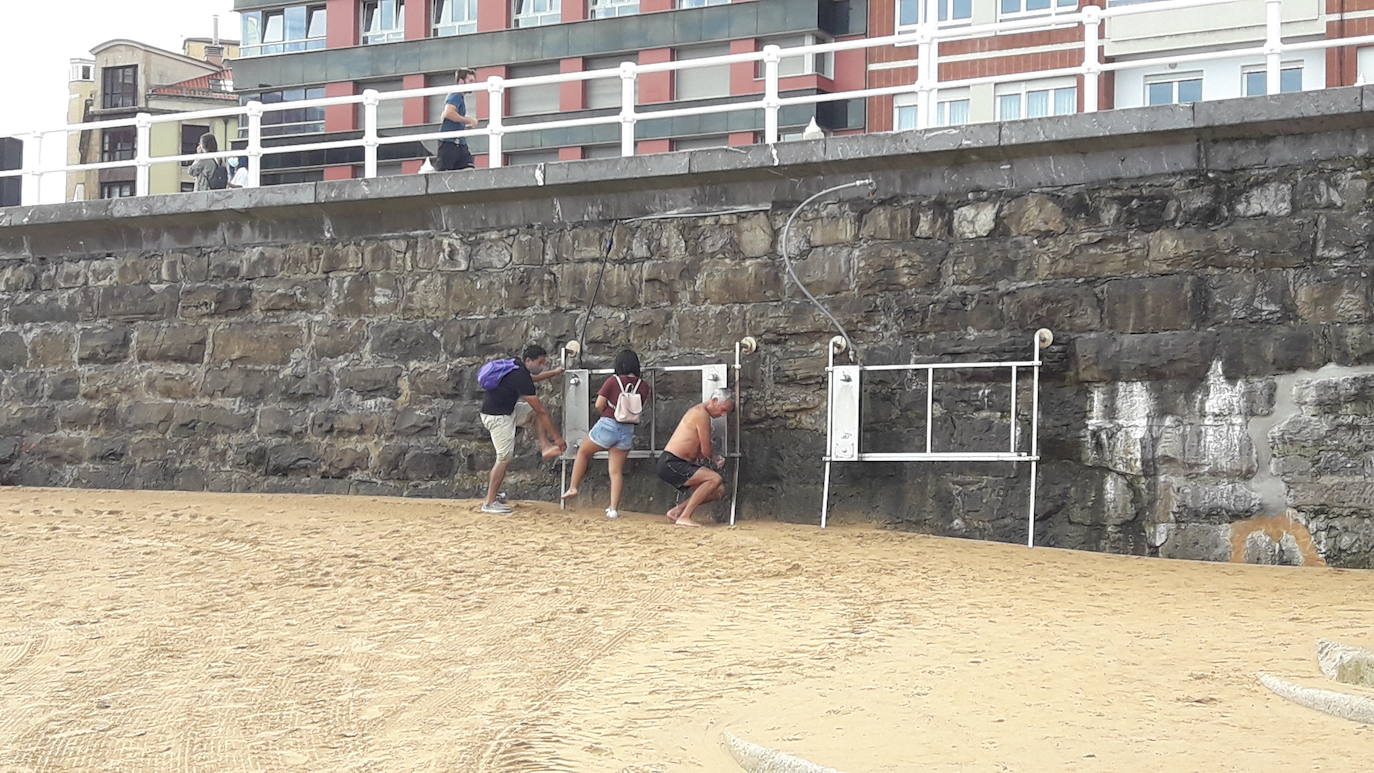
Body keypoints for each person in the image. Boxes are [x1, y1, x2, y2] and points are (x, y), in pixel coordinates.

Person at [560, 349, 653, 519]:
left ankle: (573, 486)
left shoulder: (613, 381)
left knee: (583, 451)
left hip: (608, 424)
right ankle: (613, 509)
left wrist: (607, 412)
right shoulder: (644, 385)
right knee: (616, 471)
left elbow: (599, 404)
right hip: (627, 429)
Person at [479, 344, 566, 514]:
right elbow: (541, 410)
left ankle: (545, 446)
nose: (542, 366)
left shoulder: (517, 366)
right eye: (540, 363)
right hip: (497, 418)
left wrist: (553, 373)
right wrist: (558, 439)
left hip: (506, 411)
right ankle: (489, 503)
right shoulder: (520, 376)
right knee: (504, 457)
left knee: (533, 413)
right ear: (529, 361)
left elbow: (531, 380)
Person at [656, 389, 734, 527]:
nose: (722, 415)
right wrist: (715, 458)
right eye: (722, 410)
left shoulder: (701, 413)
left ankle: (677, 511)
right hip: (671, 462)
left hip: (680, 463)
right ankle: (685, 516)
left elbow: (697, 449)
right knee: (714, 478)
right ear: (714, 401)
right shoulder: (701, 414)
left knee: (718, 491)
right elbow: (705, 450)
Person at [435, 68, 478, 172]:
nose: (473, 84)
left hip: (458, 143)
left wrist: (463, 125)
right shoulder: (456, 94)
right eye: (470, 81)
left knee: (468, 170)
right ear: (461, 81)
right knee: (445, 175)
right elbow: (448, 113)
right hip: (449, 143)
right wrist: (468, 120)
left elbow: (447, 114)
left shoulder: (458, 96)